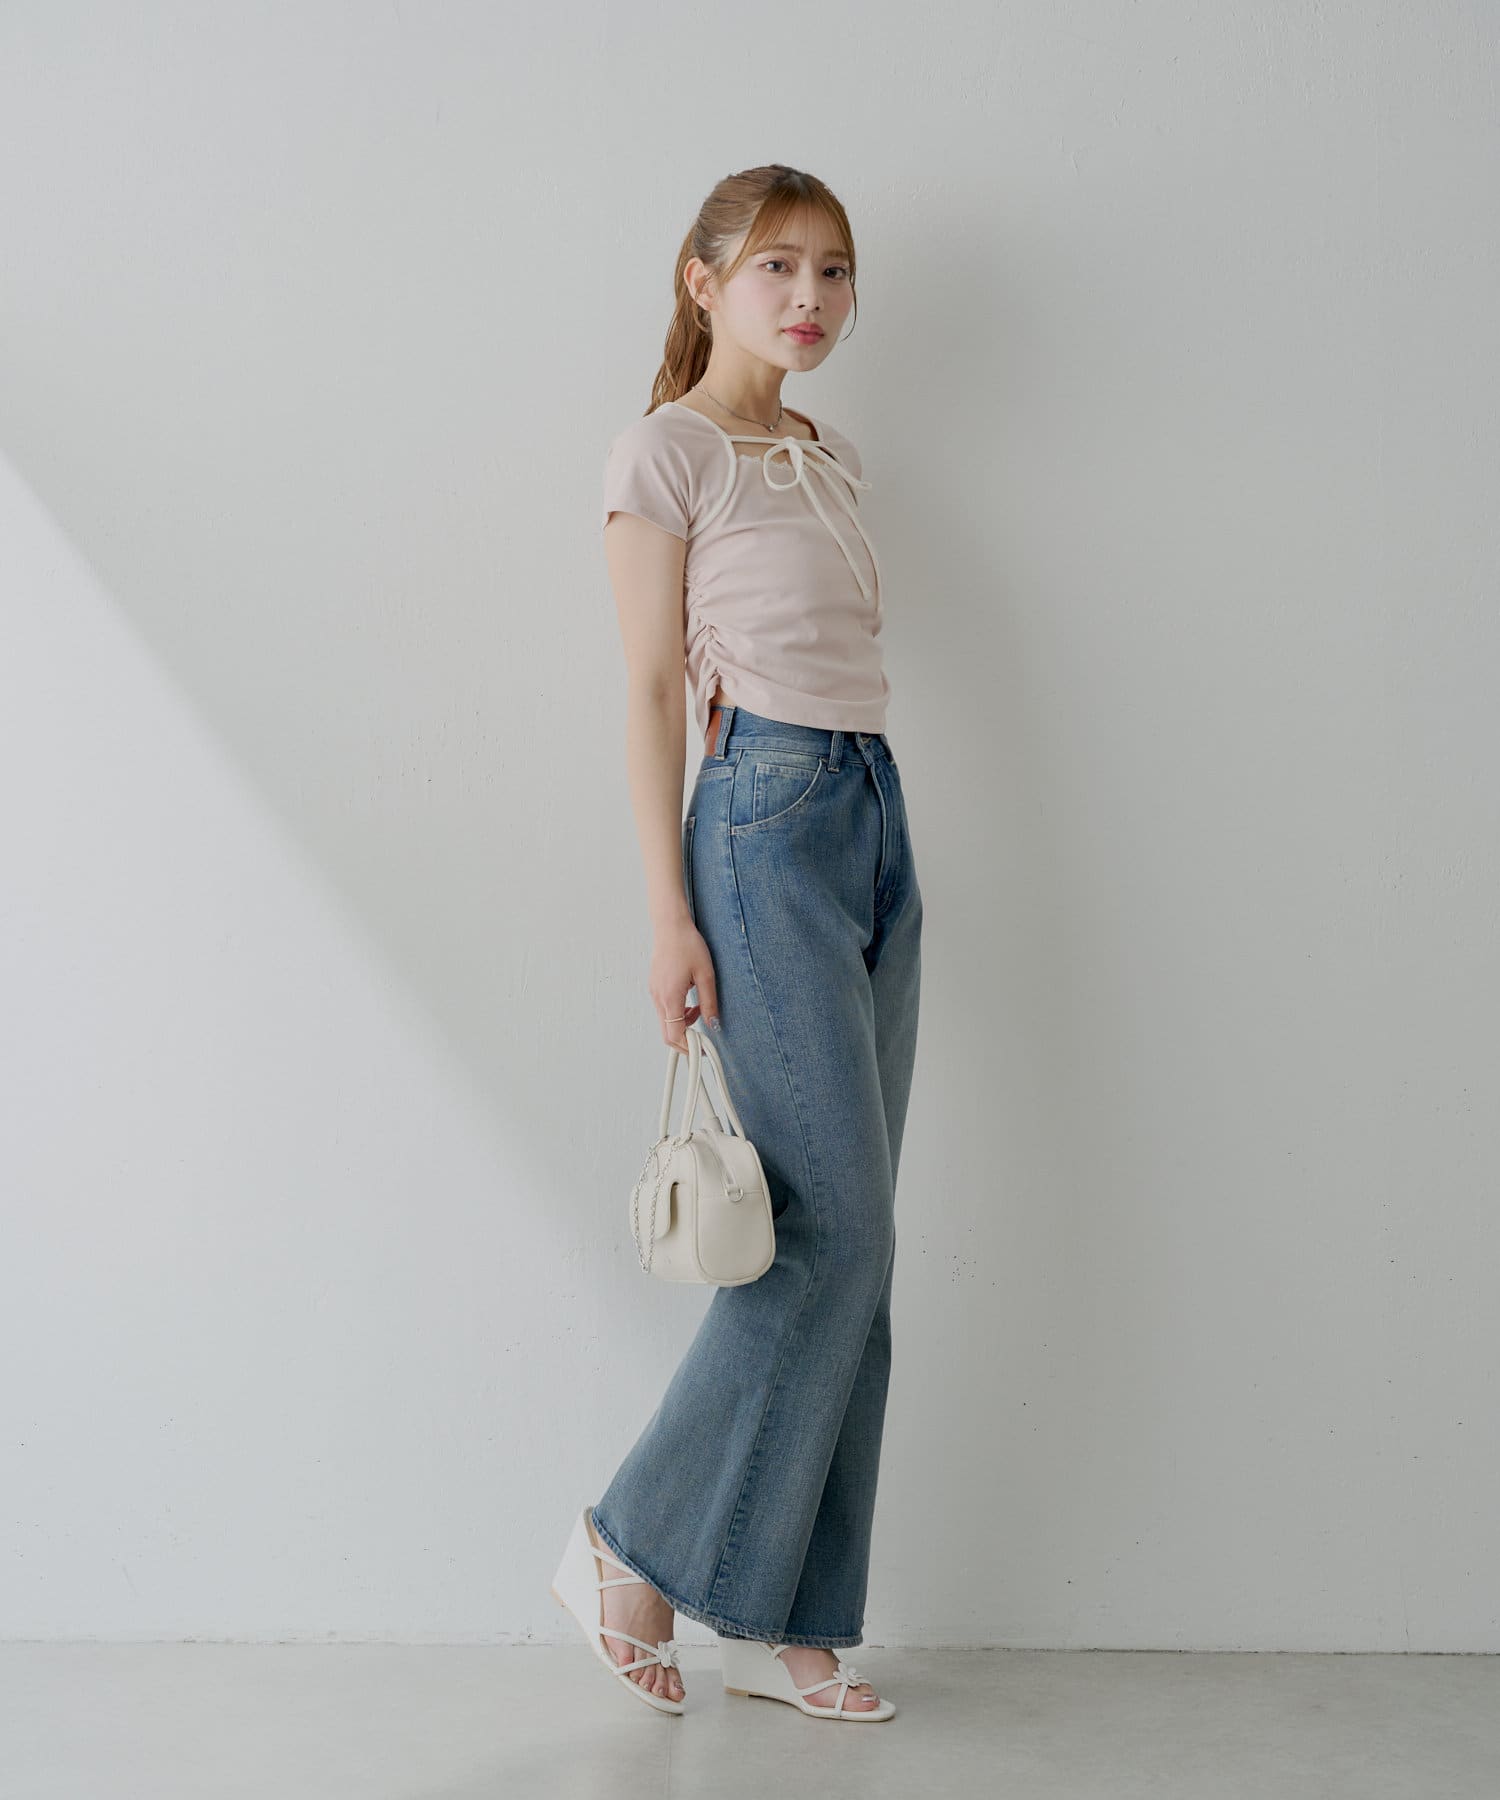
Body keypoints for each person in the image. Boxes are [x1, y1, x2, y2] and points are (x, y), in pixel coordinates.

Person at [554, 164, 922, 1723]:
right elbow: (650, 690)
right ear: (703, 282)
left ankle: (791, 1622)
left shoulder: (828, 455)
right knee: (828, 1234)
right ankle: (629, 1546)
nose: (811, 297)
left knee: (862, 1247)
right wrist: (668, 913)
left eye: (833, 269)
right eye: (777, 266)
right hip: (760, 820)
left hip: (873, 817)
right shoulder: (669, 451)